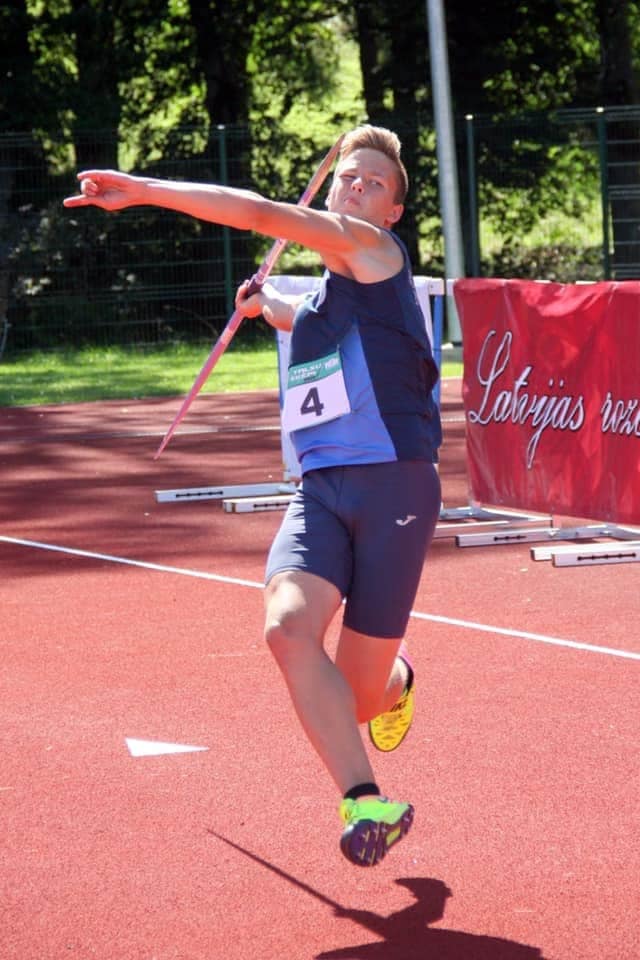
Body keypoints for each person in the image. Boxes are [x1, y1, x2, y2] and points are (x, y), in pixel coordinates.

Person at [64, 125, 442, 867]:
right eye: (349, 176)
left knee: (358, 699)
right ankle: (366, 801)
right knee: (287, 629)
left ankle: (396, 683)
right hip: (320, 491)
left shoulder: (375, 250)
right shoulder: (329, 293)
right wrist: (266, 305)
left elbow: (259, 212)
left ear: (392, 212)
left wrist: (145, 192)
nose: (356, 187)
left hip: (394, 485)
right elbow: (309, 320)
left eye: (374, 183)